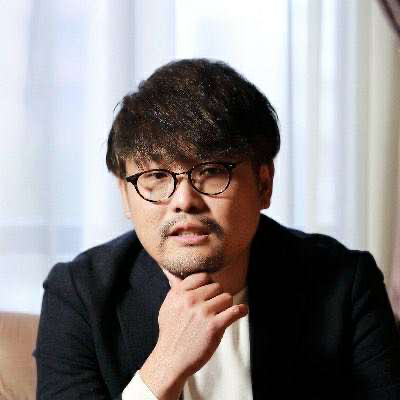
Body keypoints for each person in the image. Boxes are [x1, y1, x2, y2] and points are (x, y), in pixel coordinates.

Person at [34, 58, 400, 399]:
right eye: (156, 176)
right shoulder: (79, 294)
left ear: (263, 184)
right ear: (125, 196)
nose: (184, 201)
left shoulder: (344, 283)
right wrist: (164, 366)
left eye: (211, 172)